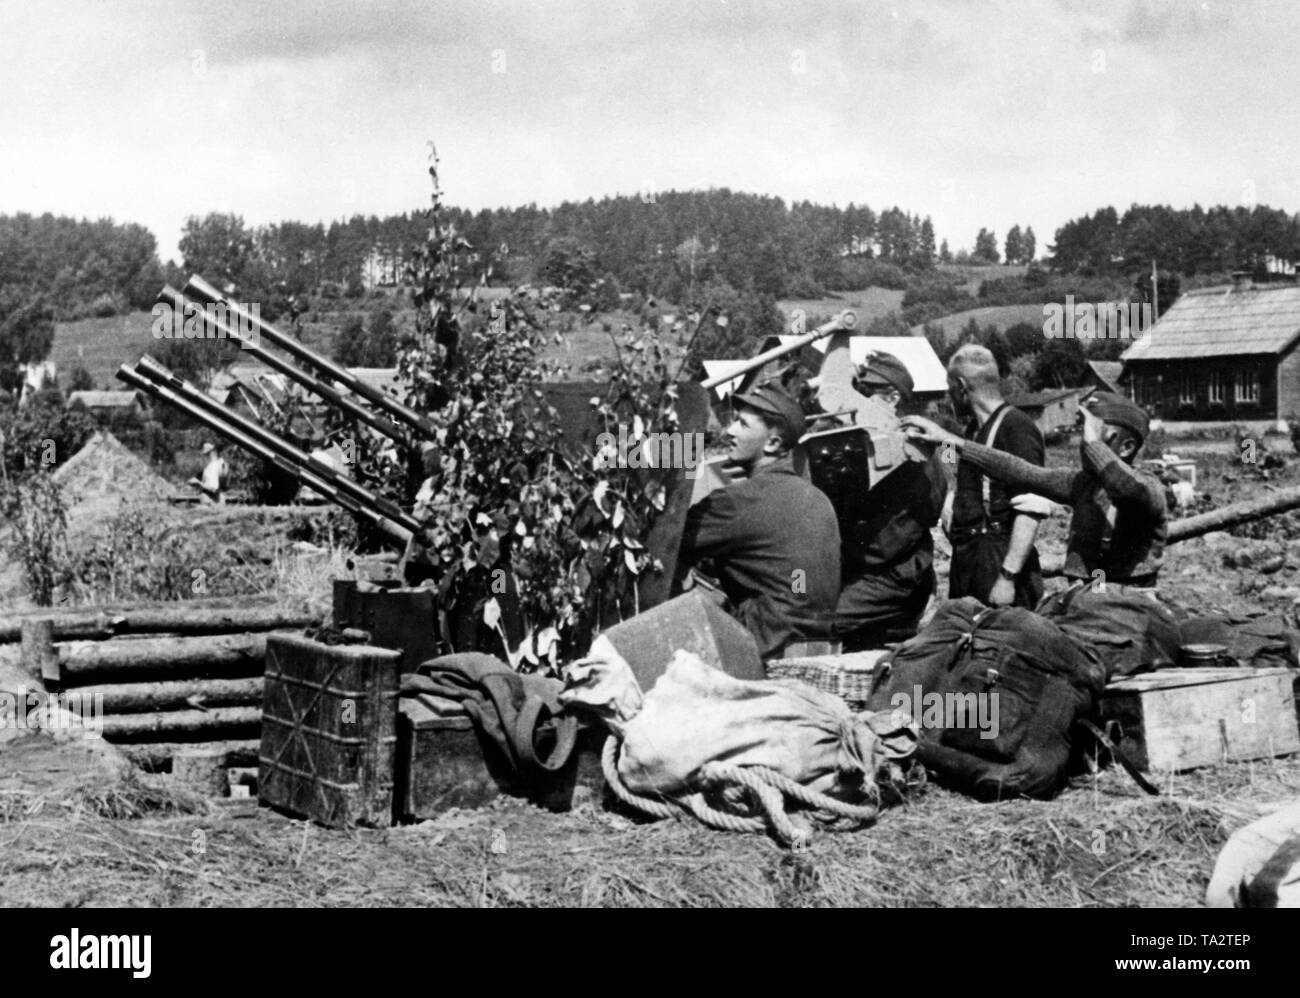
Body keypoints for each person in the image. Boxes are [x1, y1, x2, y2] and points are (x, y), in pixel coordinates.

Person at [902, 391, 1168, 587]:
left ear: (1126, 447)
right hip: (1091, 591)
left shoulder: (1148, 487)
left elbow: (1126, 489)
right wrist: (949, 440)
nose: (1083, 444)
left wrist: (1093, 442)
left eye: (1093, 435)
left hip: (1130, 599)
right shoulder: (1081, 484)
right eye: (1084, 436)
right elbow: (1017, 469)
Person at [679, 381, 842, 658]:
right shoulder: (817, 498)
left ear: (774, 442)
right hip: (820, 642)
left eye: (742, 424)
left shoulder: (738, 501)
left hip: (766, 642)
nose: (729, 431)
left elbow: (671, 544)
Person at [834, 352, 947, 648]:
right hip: (872, 571)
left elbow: (885, 545)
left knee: (812, 620)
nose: (855, 402)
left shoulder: (909, 453)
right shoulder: (869, 446)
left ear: (893, 398)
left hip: (891, 580)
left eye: (865, 394)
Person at [928, 344, 1047, 607]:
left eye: (950, 391)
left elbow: (1032, 509)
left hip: (998, 558)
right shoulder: (970, 430)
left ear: (960, 386)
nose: (949, 398)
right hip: (969, 557)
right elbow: (952, 465)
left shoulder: (1016, 428)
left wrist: (1007, 577)